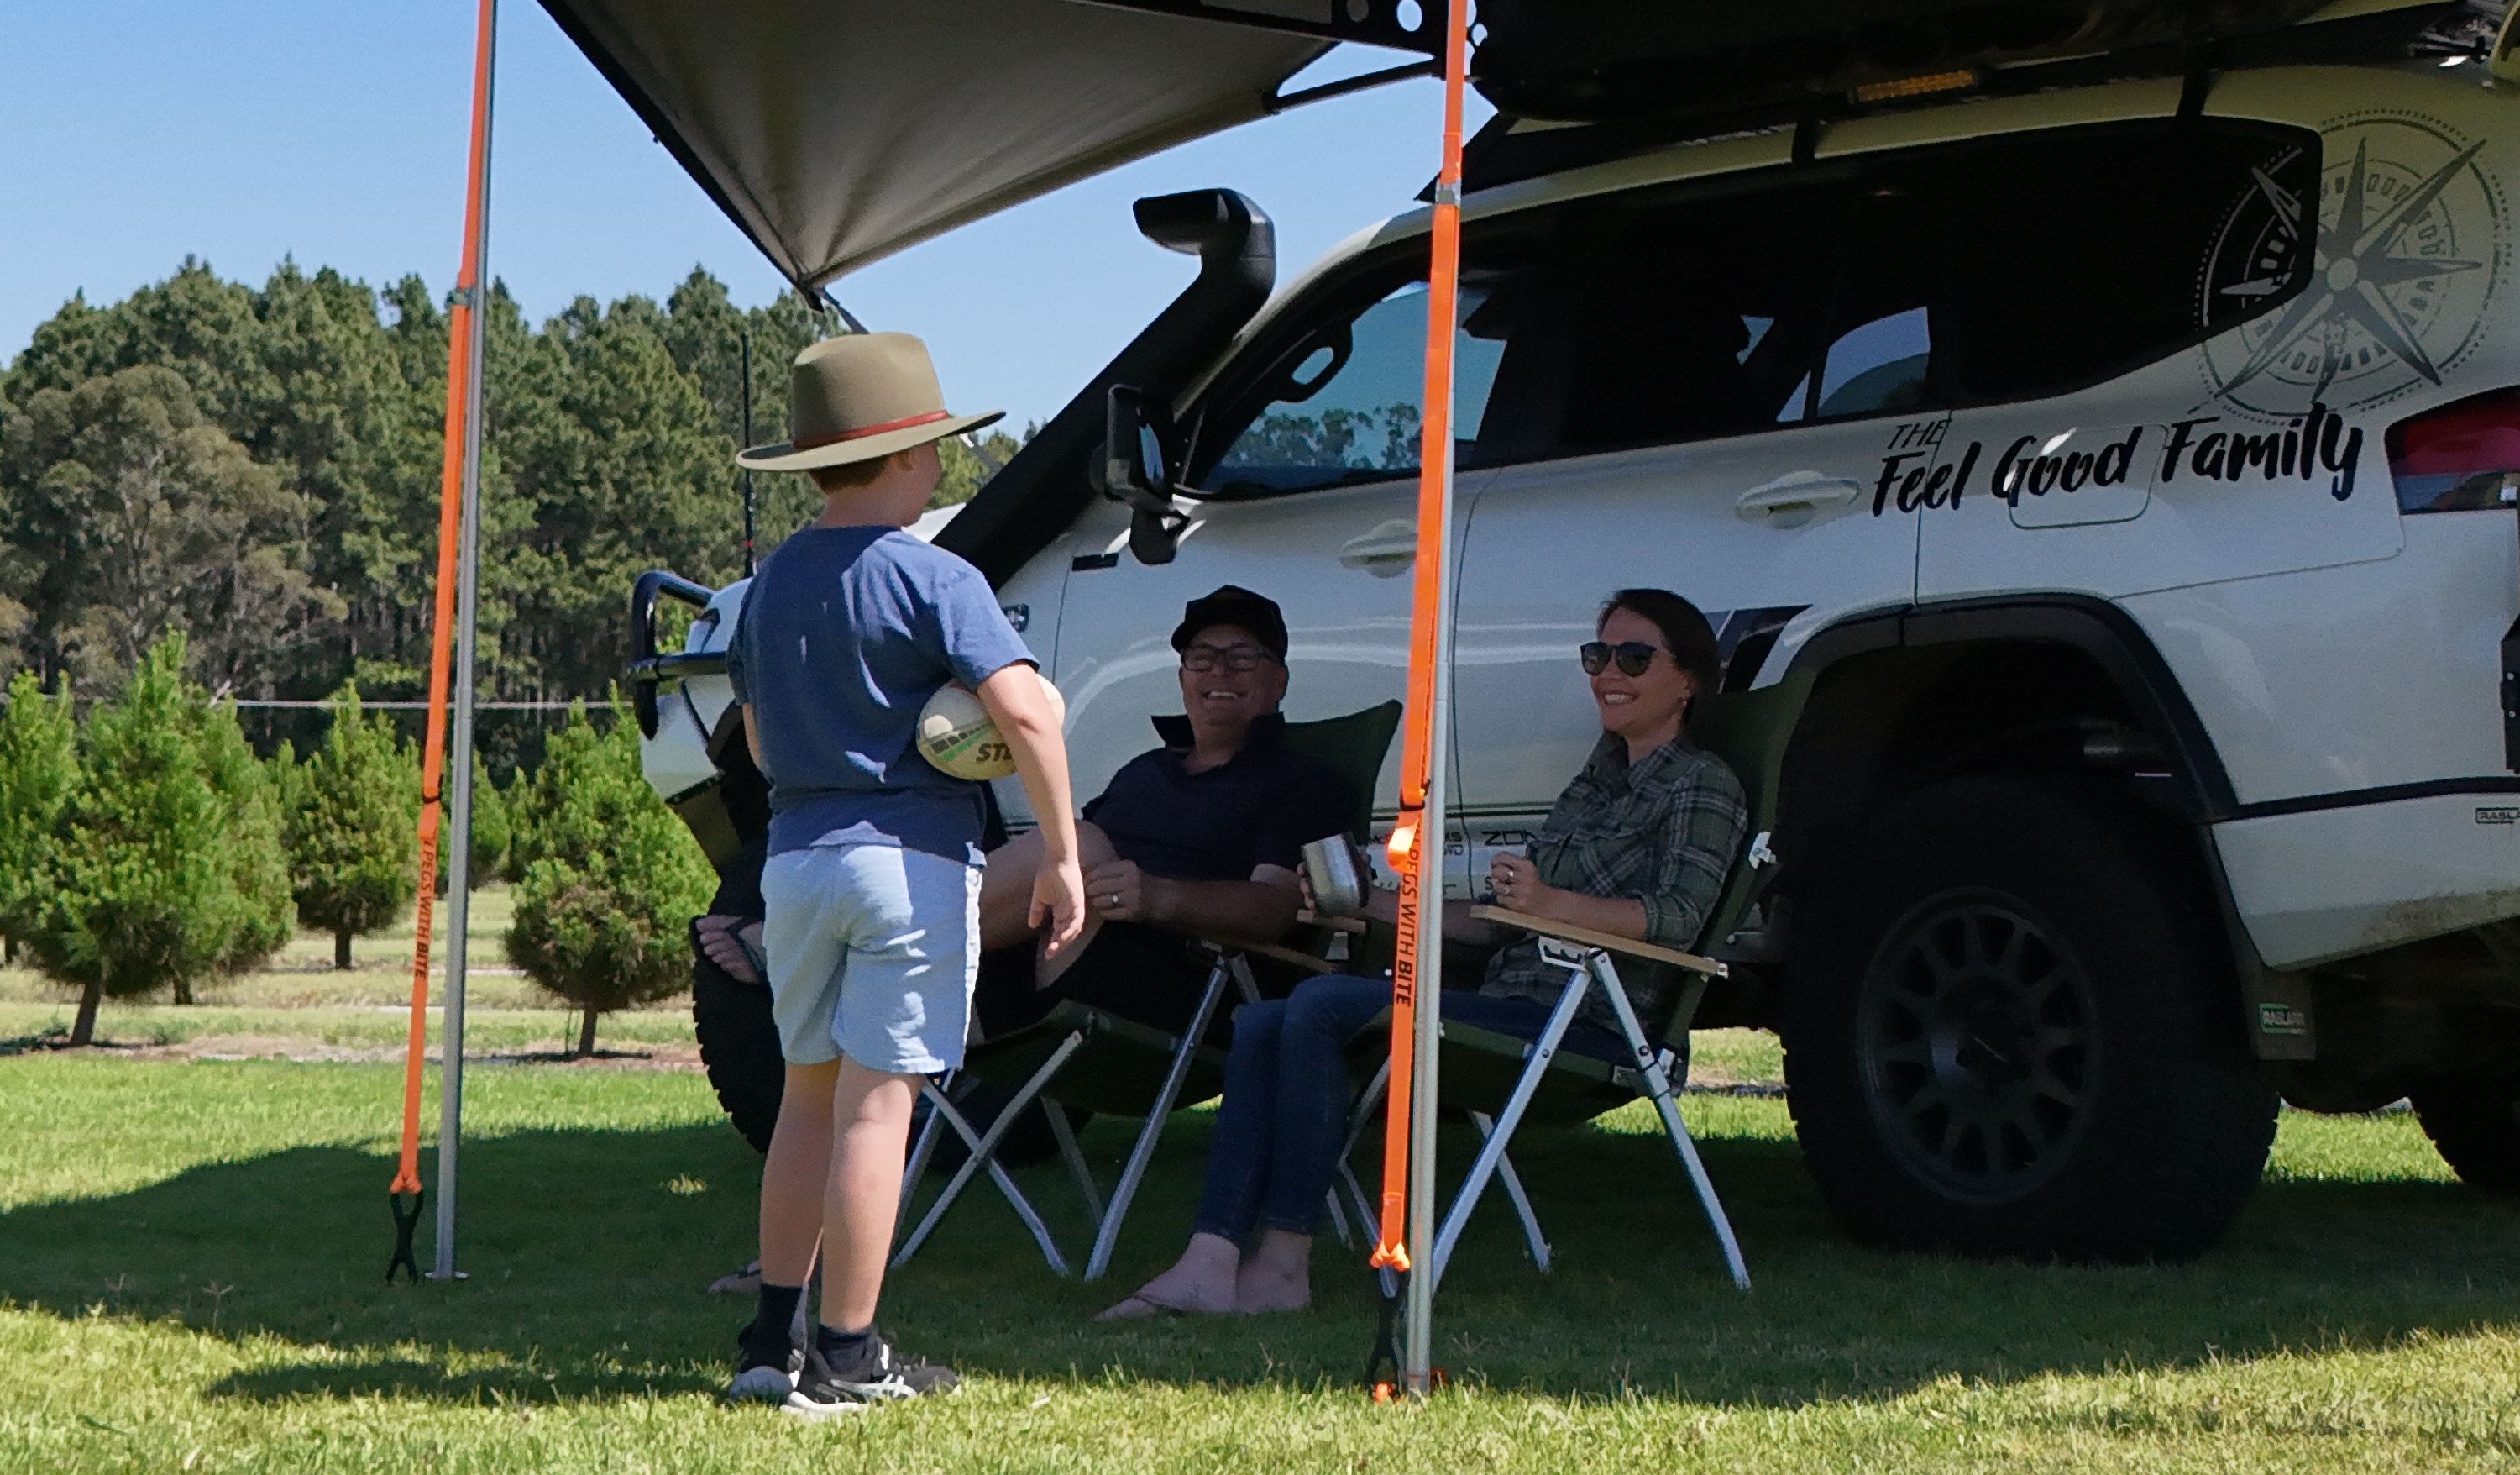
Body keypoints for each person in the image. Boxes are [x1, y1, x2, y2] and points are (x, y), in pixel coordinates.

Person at [1099, 586, 1750, 1320]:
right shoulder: (1594, 783)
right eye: (1598, 655)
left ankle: (1283, 1265)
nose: (1608, 673)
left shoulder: (1703, 785)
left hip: (1587, 1024)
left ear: (1689, 678)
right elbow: (1498, 922)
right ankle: (1210, 1258)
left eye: (1634, 657)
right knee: (1263, 1020)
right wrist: (1366, 904)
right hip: (1510, 1003)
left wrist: (1551, 906)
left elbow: (1677, 920)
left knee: (1318, 1006)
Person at [724, 330, 1091, 1412]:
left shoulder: (771, 582)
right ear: (896, 459)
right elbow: (1026, 708)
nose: (941, 467)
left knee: (805, 1100)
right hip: (909, 862)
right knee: (879, 1111)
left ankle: (767, 1340)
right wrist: (1062, 854)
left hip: (795, 863)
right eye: (932, 449)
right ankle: (848, 1353)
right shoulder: (936, 574)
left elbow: (752, 742)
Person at [1056, 584, 1370, 1032]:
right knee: (1062, 846)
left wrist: (1158, 895)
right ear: (1183, 679)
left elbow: (1276, 907)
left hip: (1189, 977)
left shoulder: (1302, 781)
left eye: (1242, 656)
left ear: (1278, 680)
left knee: (1074, 844)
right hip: (1057, 951)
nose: (1219, 670)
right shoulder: (1142, 772)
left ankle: (928, 959)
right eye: (1201, 657)